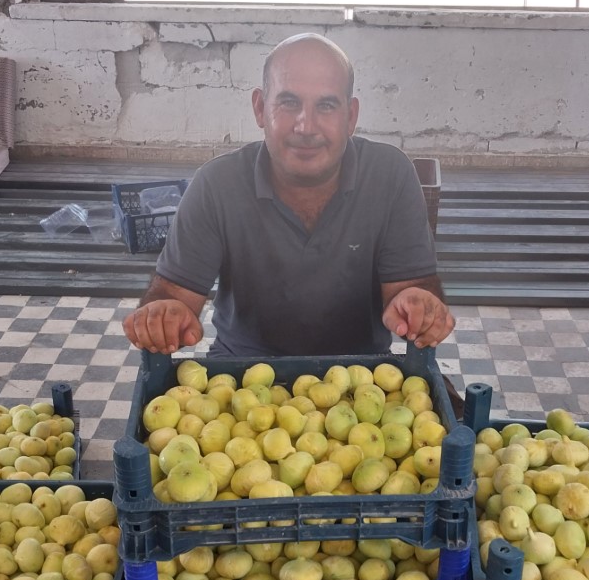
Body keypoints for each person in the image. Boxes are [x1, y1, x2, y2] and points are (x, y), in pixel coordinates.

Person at [122, 33, 455, 358]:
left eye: (326, 105)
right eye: (288, 102)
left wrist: (419, 304)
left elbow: (412, 287)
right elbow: (174, 295)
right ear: (259, 108)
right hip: (239, 379)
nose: (306, 126)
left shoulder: (390, 176)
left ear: (350, 116)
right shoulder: (216, 185)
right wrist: (163, 314)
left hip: (361, 380)